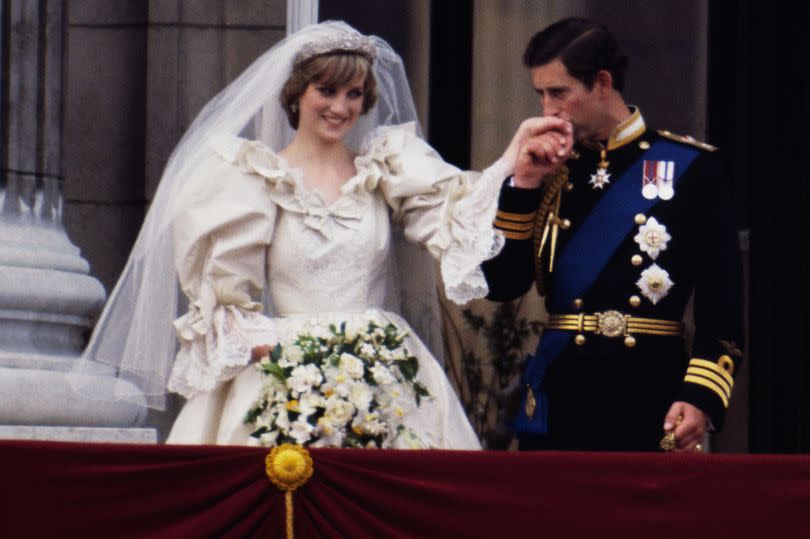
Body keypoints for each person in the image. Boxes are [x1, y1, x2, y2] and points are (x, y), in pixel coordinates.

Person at [75, 21, 563, 449]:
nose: (341, 107)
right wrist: (302, 370)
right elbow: (227, 305)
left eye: (354, 94)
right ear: (296, 94)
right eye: (326, 91)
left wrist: (511, 167)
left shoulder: (386, 167)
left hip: (385, 371)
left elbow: (457, 221)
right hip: (285, 372)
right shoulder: (251, 178)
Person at [482, 17, 743, 452]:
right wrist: (523, 187)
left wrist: (700, 396)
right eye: (541, 94)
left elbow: (723, 305)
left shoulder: (691, 167)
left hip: (649, 393)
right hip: (561, 394)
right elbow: (500, 284)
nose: (547, 109)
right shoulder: (547, 169)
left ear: (602, 82)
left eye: (559, 93)